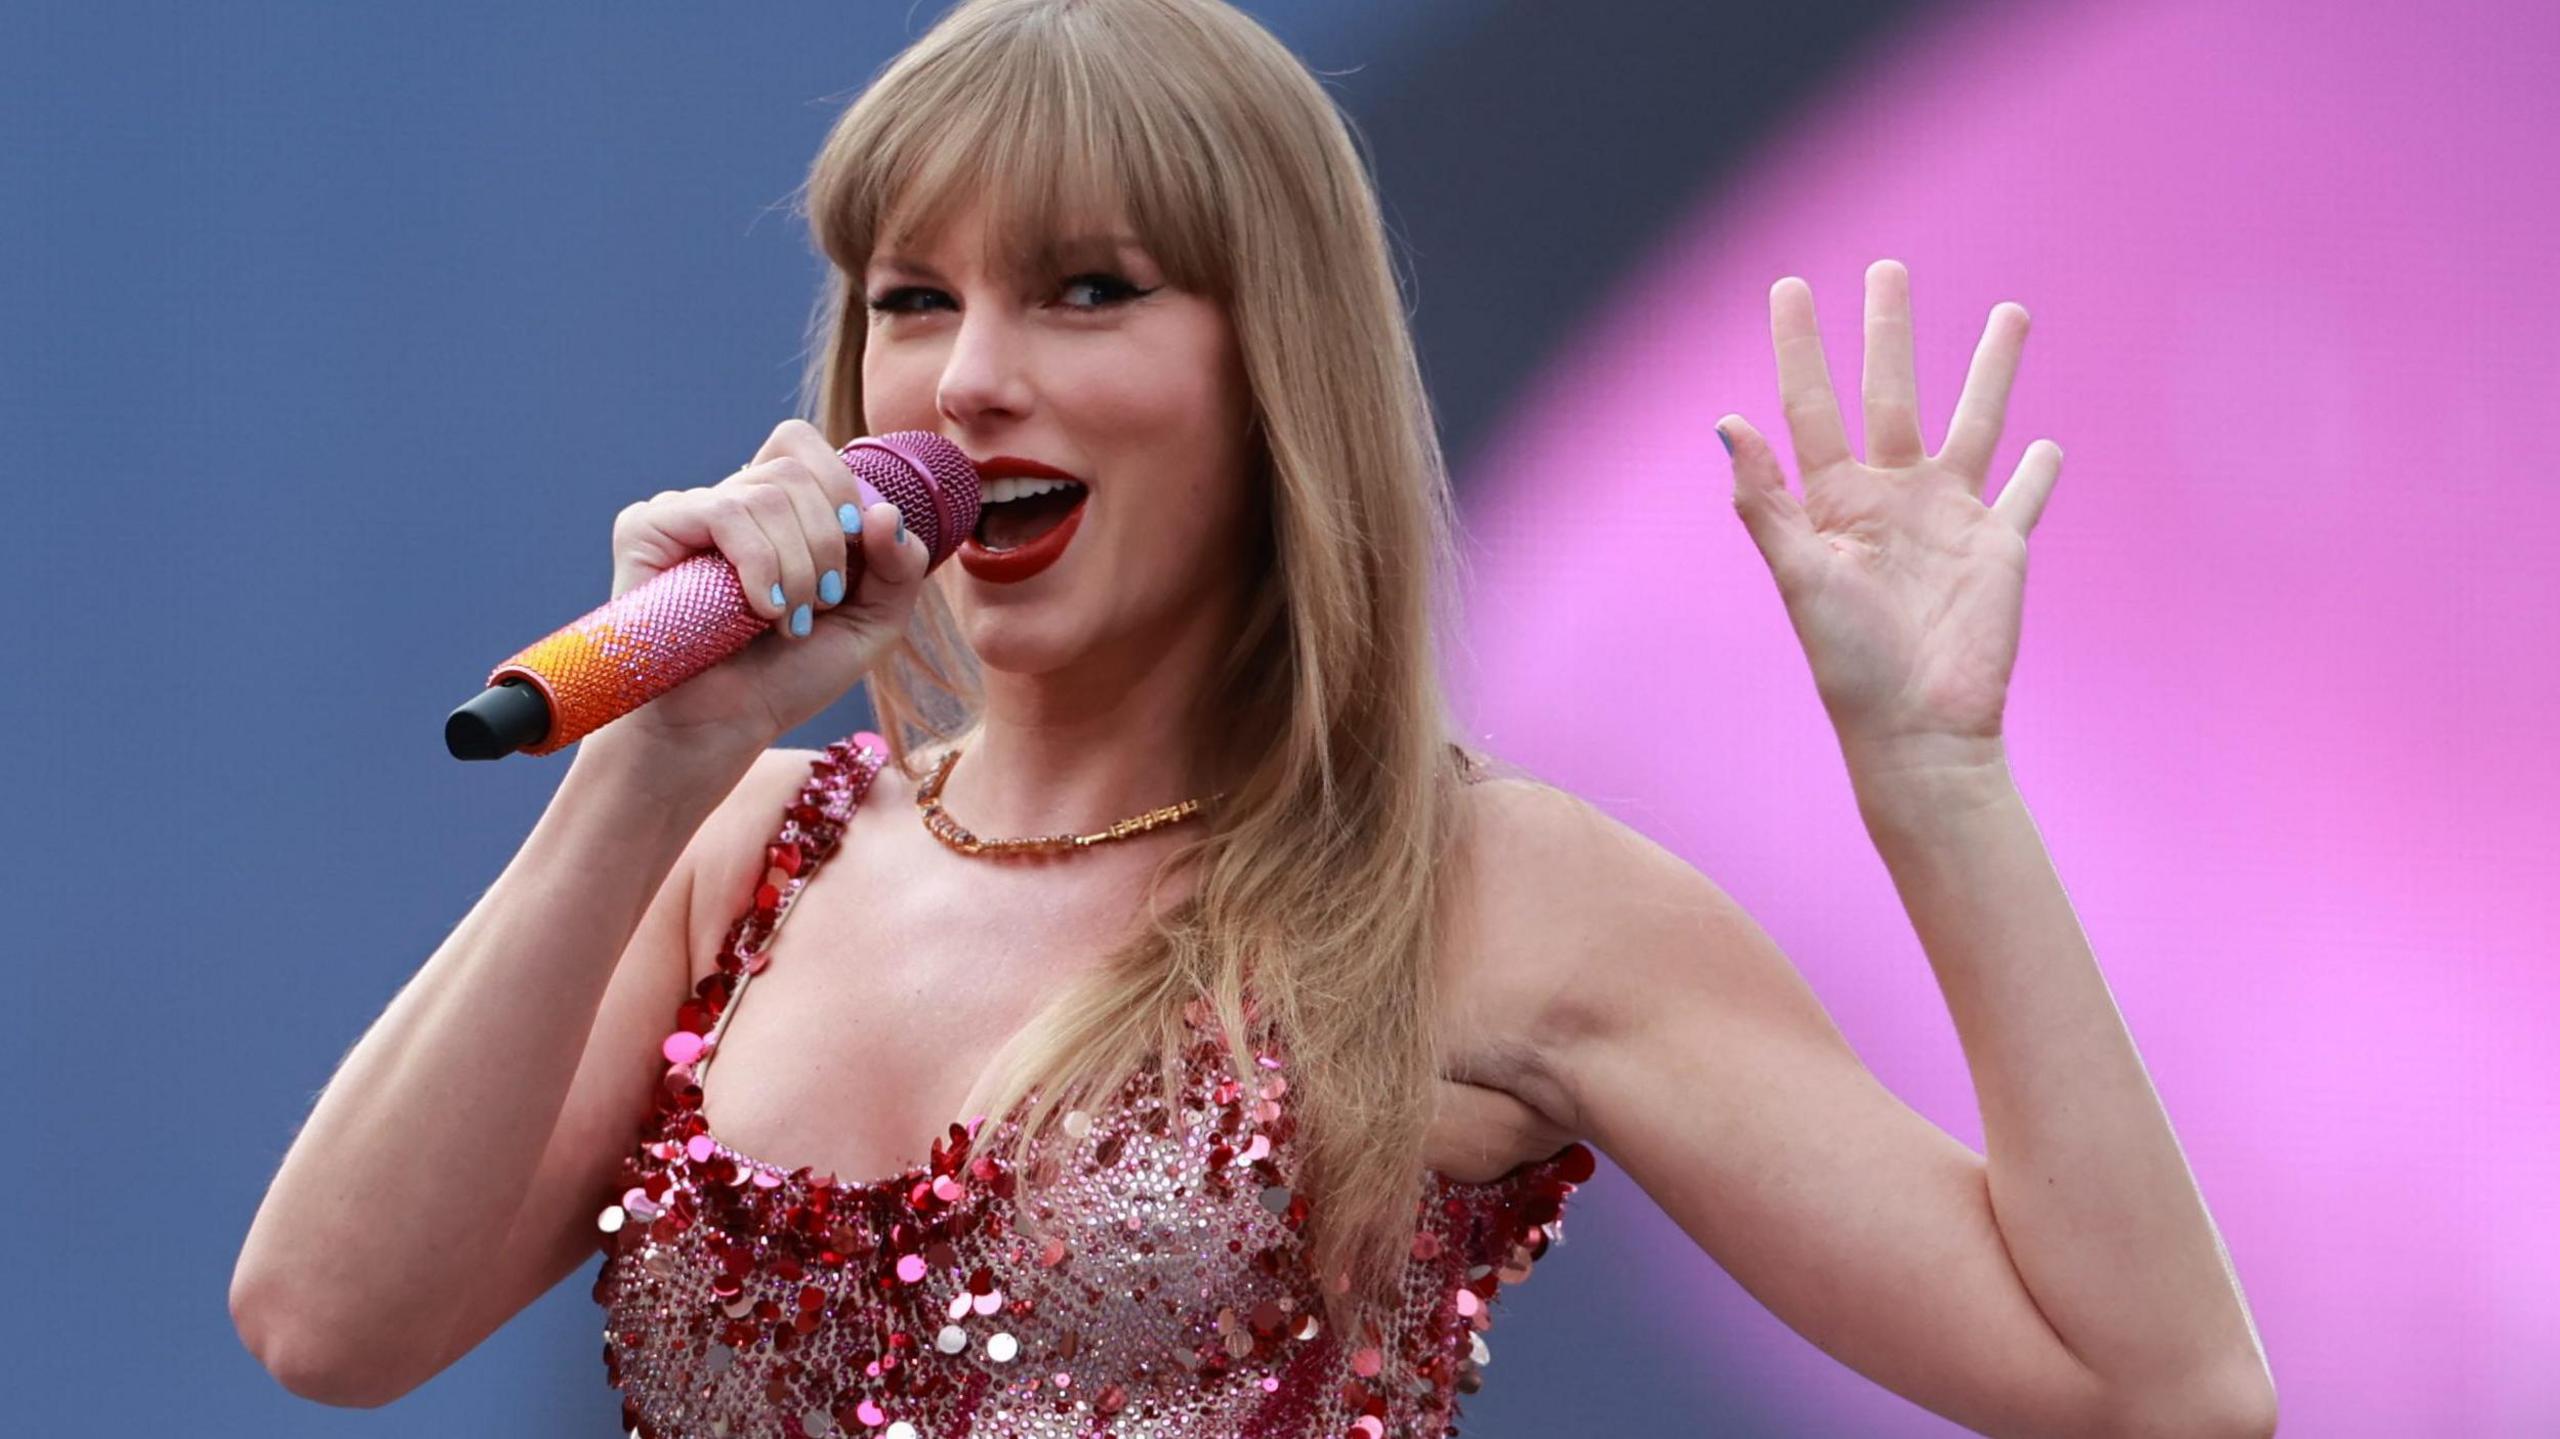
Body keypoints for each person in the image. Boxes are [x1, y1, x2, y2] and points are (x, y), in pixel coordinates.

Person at [229, 1, 2276, 1435]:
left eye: (1089, 291)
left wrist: (1933, 778)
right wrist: (648, 771)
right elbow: (324, 1326)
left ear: (1267, 369)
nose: (968, 381)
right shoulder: (732, 849)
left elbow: (2150, 1394)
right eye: (914, 299)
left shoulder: (1492, 895)